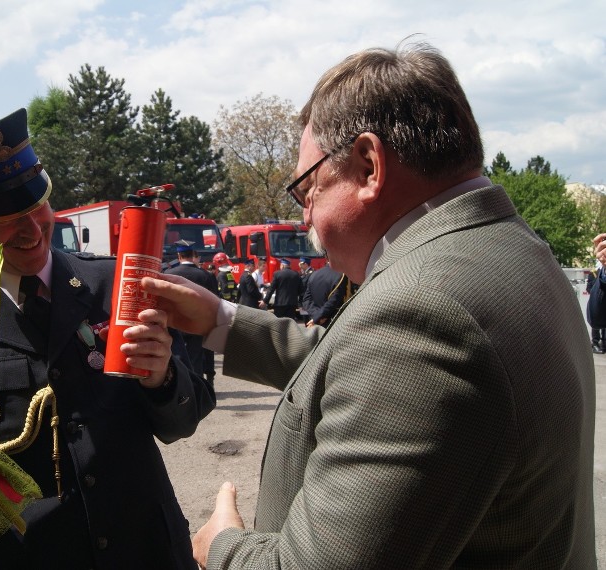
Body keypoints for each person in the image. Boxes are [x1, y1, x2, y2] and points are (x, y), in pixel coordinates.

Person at [141, 42, 596, 569]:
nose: (306, 218)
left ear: (368, 165)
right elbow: (356, 365)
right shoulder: (509, 249)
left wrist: (221, 547)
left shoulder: (422, 310)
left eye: (306, 189)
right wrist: (221, 322)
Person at [0, 108, 215, 569]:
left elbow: (183, 421)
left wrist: (163, 378)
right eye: (6, 216)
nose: (32, 230)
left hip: (149, 554)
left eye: (36, 206)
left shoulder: (117, 284)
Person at [165, 240, 219, 383]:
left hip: (175, 324)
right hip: (198, 324)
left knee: (176, 357)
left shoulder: (169, 273)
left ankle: (179, 386)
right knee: (197, 359)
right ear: (193, 254)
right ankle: (197, 387)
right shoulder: (205, 275)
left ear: (179, 255)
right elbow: (215, 301)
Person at [301, 260, 348, 327]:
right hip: (334, 321)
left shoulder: (314, 274)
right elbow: (334, 300)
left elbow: (306, 300)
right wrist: (319, 316)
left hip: (315, 322)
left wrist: (316, 316)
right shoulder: (342, 275)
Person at [585, 262, 605, 353]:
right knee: (595, 326)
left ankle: (604, 343)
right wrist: (595, 291)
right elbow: (588, 287)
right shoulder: (593, 273)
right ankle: (595, 343)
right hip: (596, 300)